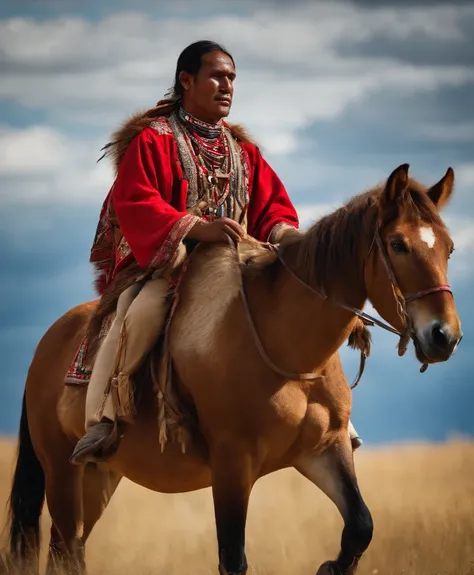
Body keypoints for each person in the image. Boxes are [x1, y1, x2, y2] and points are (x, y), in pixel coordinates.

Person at [70, 40, 362, 465]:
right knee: (141, 313)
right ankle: (106, 418)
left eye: (232, 79)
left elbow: (272, 206)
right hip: (169, 266)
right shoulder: (154, 140)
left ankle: (334, 415)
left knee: (300, 305)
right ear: (187, 81)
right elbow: (135, 201)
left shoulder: (243, 151)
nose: (227, 86)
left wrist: (286, 235)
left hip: (239, 265)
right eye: (217, 76)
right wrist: (198, 229)